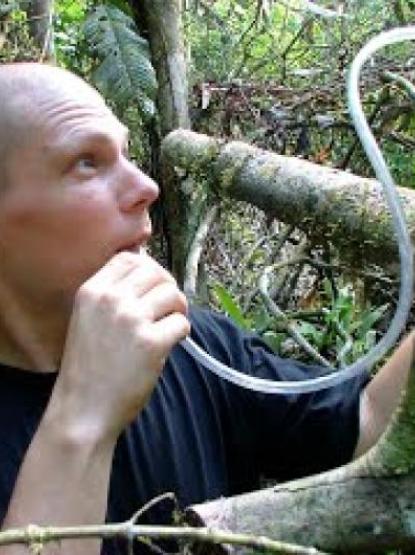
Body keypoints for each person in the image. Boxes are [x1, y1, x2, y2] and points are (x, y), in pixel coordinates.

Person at [0, 62, 412, 555]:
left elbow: (368, 427)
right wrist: (86, 412)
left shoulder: (191, 342)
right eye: (86, 161)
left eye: (127, 154)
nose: (145, 186)